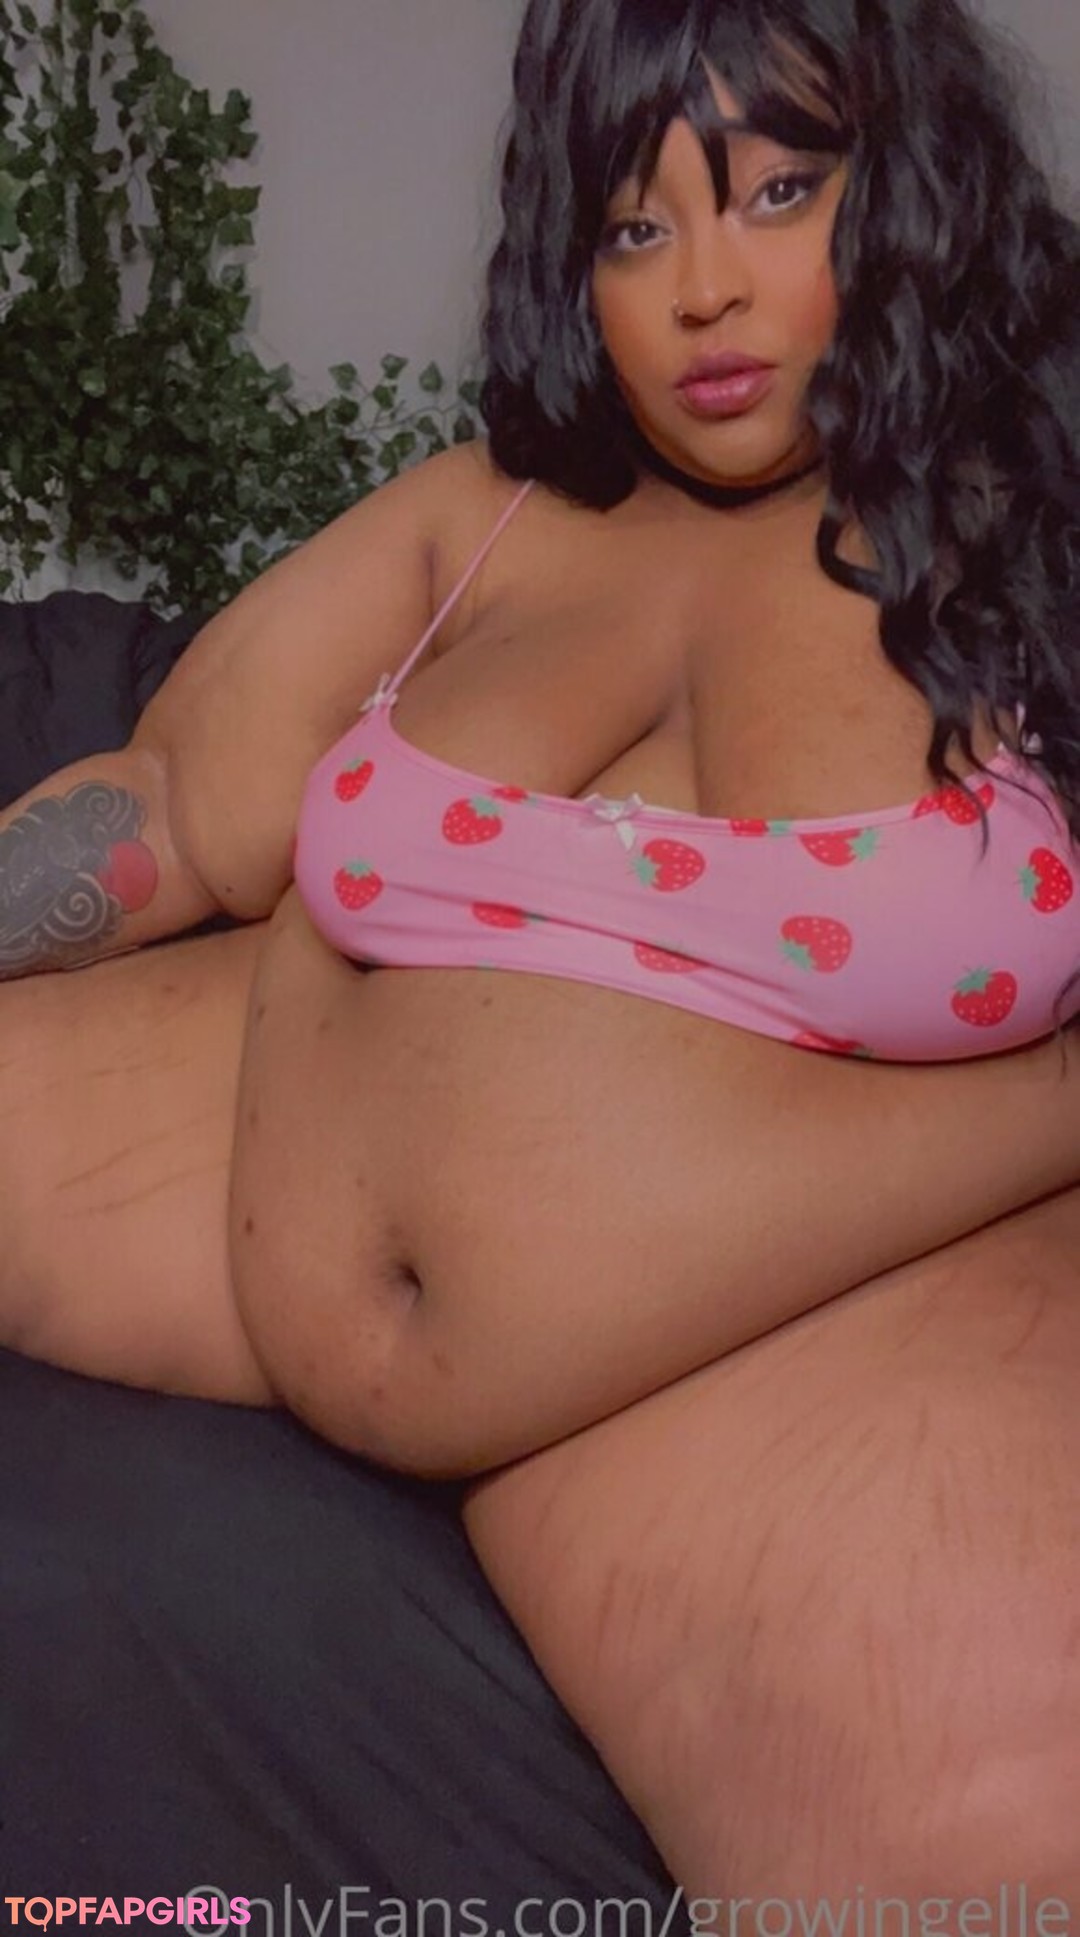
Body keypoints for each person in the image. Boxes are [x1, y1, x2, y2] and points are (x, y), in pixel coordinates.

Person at [2, 0, 1078, 1903]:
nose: (702, 292)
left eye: (777, 193)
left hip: (762, 1351)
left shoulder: (1032, 537)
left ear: (908, 188)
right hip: (231, 1184)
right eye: (634, 225)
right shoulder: (484, 516)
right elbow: (173, 799)